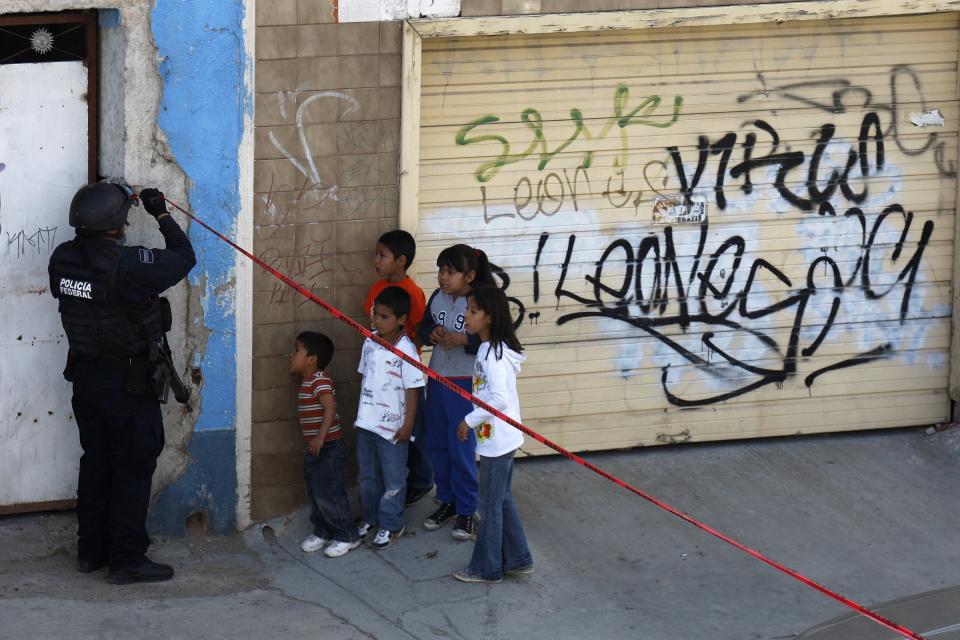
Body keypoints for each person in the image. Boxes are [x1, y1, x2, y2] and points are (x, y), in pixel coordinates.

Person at [48, 182, 196, 584]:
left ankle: (90, 551)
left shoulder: (62, 258)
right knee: (133, 465)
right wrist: (160, 213)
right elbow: (184, 258)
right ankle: (127, 559)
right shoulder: (128, 264)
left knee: (96, 462)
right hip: (126, 381)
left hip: (86, 378)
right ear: (116, 223)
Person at [454, 286, 533, 583]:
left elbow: (498, 398)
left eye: (473, 311)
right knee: (501, 499)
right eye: (468, 309)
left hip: (497, 442)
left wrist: (469, 420)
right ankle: (518, 558)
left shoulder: (493, 355)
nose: (467, 315)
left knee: (487, 506)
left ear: (489, 317)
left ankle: (486, 568)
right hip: (500, 438)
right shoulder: (489, 349)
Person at [418, 244, 495, 541]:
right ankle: (446, 500)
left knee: (461, 447)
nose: (443, 277)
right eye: (441, 271)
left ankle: (466, 509)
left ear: (470, 275)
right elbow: (423, 328)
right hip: (436, 378)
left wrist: (465, 339)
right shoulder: (437, 298)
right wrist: (431, 334)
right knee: (437, 443)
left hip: (464, 383)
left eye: (451, 272)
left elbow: (496, 339)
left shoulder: (480, 302)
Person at [363, 230, 433, 506]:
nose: (376, 260)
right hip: (378, 374)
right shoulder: (376, 289)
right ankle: (393, 481)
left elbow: (419, 333)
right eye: (376, 254)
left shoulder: (413, 294)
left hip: (404, 375)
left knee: (412, 429)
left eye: (382, 255)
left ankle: (421, 481)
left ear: (401, 261)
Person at [355, 286, 426, 550]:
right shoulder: (369, 341)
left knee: (393, 479)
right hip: (366, 423)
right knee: (368, 475)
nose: (376, 321)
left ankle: (391, 523)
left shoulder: (406, 350)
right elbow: (366, 378)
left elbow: (414, 389)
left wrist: (408, 425)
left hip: (394, 429)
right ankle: (370, 517)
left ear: (401, 319)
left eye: (384, 317)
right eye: (376, 315)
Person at [290, 331, 360, 558]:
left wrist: (320, 437)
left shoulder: (319, 380)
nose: (292, 355)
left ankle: (347, 534)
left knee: (330, 492)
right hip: (315, 449)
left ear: (312, 359)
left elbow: (330, 408)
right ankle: (323, 531)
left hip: (328, 447)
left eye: (297, 351)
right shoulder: (308, 380)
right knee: (315, 491)